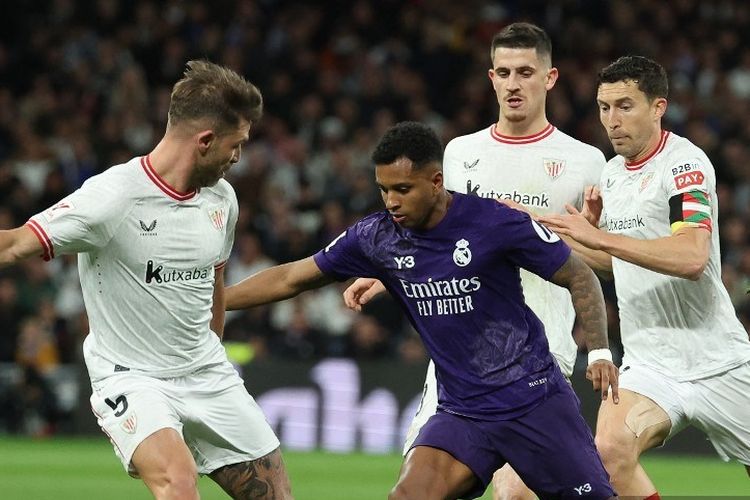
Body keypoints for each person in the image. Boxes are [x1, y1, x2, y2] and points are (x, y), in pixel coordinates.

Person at [226, 121, 619, 499]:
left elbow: (580, 274)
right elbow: (292, 277)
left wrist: (599, 351)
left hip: (533, 401)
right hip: (463, 412)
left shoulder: (493, 222)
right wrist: (217, 301)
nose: (392, 201)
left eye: (402, 188)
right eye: (383, 190)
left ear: (435, 182)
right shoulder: (378, 237)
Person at [0, 60, 293, 500]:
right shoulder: (112, 198)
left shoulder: (222, 199)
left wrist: (212, 347)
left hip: (207, 374)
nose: (239, 157)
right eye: (237, 145)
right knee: (178, 480)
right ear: (206, 140)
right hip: (132, 377)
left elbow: (212, 281)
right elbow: (13, 245)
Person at [342, 22, 607, 500]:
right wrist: (387, 274)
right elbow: (438, 239)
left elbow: (603, 264)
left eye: (525, 72)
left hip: (538, 354)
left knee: (515, 494)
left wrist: (587, 237)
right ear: (490, 78)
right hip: (460, 358)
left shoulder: (585, 161)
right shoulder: (461, 153)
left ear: (550, 78)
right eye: (503, 72)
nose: (513, 83)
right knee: (418, 489)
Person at [539, 55, 750, 498]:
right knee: (609, 453)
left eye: (625, 106)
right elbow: (616, 264)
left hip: (719, 362)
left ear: (658, 107)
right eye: (603, 107)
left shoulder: (684, 165)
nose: (611, 121)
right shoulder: (613, 175)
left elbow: (691, 257)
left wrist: (600, 239)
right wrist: (551, 233)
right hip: (650, 365)